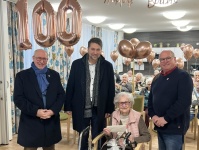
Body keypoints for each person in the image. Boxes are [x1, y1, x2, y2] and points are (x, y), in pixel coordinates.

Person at [64, 37, 115, 150]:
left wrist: (109, 108)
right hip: (81, 106)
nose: (95, 52)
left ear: (101, 50)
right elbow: (70, 86)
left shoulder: (107, 66)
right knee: (83, 134)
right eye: (92, 49)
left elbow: (111, 89)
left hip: (99, 107)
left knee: (99, 134)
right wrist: (68, 106)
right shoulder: (77, 64)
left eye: (98, 49)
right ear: (88, 49)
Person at [14, 49, 65, 150]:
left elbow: (61, 95)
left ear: (47, 60)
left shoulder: (54, 75)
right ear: (33, 58)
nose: (41, 61)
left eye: (44, 59)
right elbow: (18, 99)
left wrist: (52, 111)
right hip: (31, 122)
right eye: (39, 58)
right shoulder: (22, 76)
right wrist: (36, 111)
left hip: (50, 122)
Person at [148, 50, 193, 150]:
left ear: (174, 59)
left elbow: (184, 102)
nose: (165, 61)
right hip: (159, 125)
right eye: (162, 59)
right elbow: (151, 100)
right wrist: (153, 115)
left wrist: (165, 118)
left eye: (168, 58)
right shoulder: (157, 78)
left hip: (174, 127)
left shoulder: (183, 76)